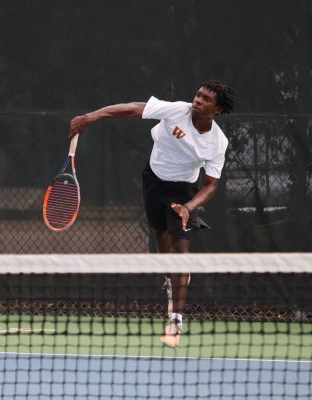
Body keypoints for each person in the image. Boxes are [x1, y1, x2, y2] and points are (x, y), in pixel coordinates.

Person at [69, 80, 235, 348]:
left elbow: (211, 184)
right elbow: (133, 108)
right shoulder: (176, 110)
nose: (197, 100)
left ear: (217, 109)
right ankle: (172, 277)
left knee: (181, 249)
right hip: (154, 180)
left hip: (183, 191)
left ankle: (176, 320)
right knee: (163, 243)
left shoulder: (217, 143)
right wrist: (92, 117)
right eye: (198, 94)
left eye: (206, 99)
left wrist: (189, 207)